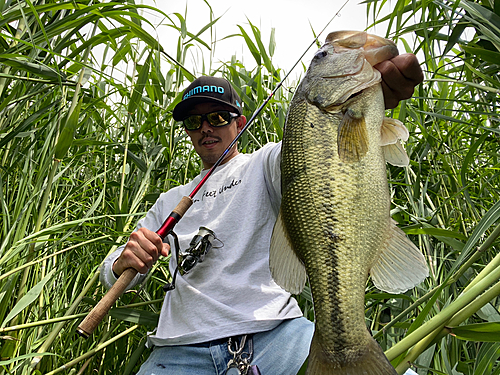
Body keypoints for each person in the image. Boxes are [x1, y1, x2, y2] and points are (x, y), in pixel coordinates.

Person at [100, 53, 424, 375]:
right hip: (180, 349)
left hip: (276, 334)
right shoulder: (169, 200)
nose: (205, 128)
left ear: (239, 123)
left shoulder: (265, 163)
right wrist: (123, 261)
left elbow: (314, 149)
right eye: (193, 121)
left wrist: (356, 103)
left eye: (216, 117)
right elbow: (113, 273)